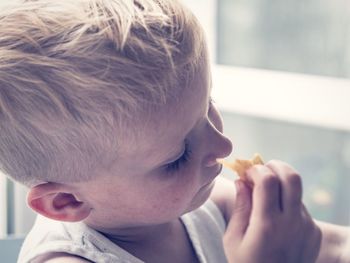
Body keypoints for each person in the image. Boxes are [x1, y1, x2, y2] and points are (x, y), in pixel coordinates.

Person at [0, 0, 348, 262]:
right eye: (178, 156)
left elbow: (334, 247)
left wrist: (298, 233)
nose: (223, 146)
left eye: (207, 107)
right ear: (66, 202)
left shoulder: (207, 203)